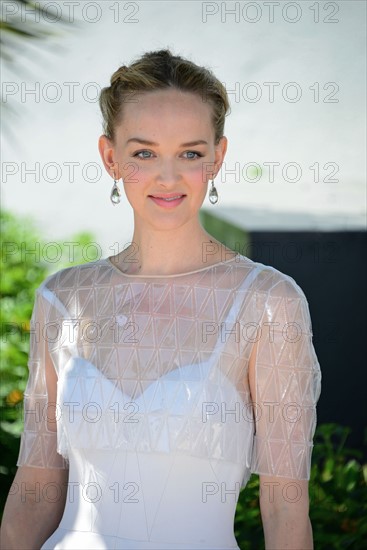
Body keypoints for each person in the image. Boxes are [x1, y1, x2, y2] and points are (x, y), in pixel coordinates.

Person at [0, 49, 321, 550]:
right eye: (144, 153)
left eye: (190, 153)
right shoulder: (62, 299)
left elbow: (284, 510)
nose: (167, 178)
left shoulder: (267, 303)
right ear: (110, 157)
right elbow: (34, 494)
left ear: (218, 156)